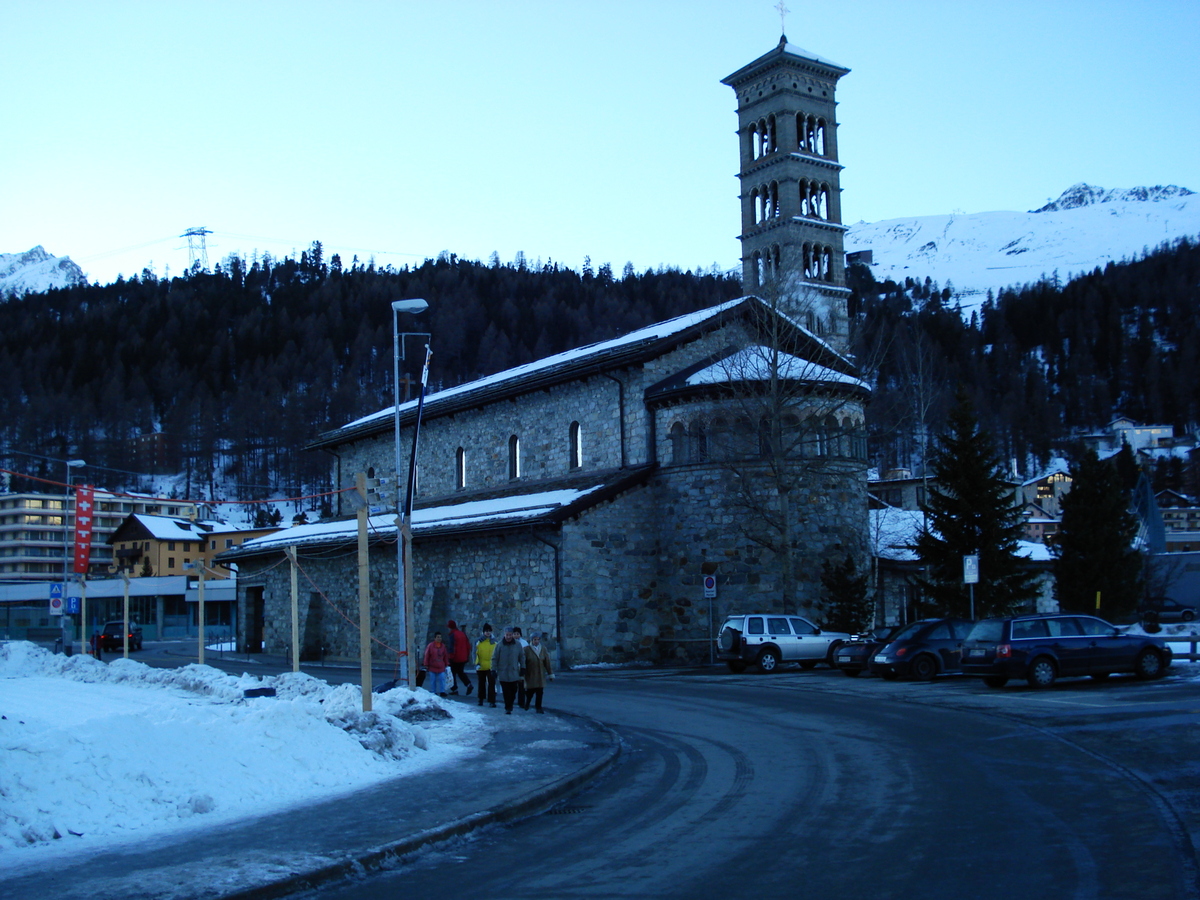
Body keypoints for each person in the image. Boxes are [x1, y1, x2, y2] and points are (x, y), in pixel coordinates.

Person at [492, 627, 524, 714]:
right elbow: (495, 658)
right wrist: (493, 669)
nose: (508, 637)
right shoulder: (499, 645)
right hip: (503, 672)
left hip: (514, 672)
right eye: (507, 635)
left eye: (510, 635)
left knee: (514, 690)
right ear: (504, 634)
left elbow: (521, 657)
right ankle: (508, 707)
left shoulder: (517, 645)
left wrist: (523, 668)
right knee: (506, 691)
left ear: (512, 635)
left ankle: (511, 703)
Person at [522, 631, 553, 713]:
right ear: (531, 640)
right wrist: (522, 671)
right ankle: (527, 703)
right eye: (535, 639)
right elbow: (523, 662)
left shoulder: (543, 649)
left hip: (540, 674)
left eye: (538, 639)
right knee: (530, 692)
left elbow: (547, 662)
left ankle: (538, 707)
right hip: (530, 674)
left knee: (540, 692)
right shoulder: (526, 649)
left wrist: (550, 673)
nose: (536, 641)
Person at [446, 619, 473, 696]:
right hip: (463, 657)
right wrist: (467, 656)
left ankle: (454, 689)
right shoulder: (462, 634)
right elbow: (468, 646)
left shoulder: (452, 635)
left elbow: (452, 648)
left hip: (455, 658)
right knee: (461, 672)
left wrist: (450, 657)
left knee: (452, 673)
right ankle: (468, 684)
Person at [474, 623, 498, 707]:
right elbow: (474, 653)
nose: (488, 633)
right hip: (481, 665)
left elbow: (497, 654)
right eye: (486, 631)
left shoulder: (494, 642)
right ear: (483, 632)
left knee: (492, 684)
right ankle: (480, 699)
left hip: (491, 666)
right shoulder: (478, 641)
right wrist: (476, 663)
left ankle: (492, 701)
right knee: (481, 684)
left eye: (489, 631)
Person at [422, 632, 450, 697]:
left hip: (441, 666)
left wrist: (447, 664)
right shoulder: (430, 646)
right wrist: (426, 664)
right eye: (438, 637)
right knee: (433, 680)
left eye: (440, 637)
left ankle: (442, 691)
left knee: (442, 679)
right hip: (432, 666)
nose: (439, 638)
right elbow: (427, 655)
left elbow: (445, 656)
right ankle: (433, 691)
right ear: (435, 638)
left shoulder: (443, 646)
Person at [512, 626, 529, 709]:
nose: (516, 635)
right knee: (513, 686)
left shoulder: (524, 643)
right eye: (514, 634)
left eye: (517, 634)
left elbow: (526, 655)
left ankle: (521, 702)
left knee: (521, 686)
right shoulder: (510, 642)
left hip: (521, 667)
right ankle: (511, 700)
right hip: (512, 667)